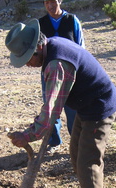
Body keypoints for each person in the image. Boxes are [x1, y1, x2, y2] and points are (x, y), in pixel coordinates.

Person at [5, 19, 116, 188]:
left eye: (27, 58)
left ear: (38, 47)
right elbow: (52, 107)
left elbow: (50, 115)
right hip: (86, 106)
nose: (27, 65)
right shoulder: (52, 45)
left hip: (98, 108)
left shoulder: (57, 64)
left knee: (88, 163)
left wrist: (27, 136)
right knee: (76, 155)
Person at [39, 0, 85, 151]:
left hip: (71, 72)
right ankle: (54, 142)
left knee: (72, 107)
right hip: (49, 72)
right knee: (50, 107)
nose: (50, 6)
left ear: (60, 1)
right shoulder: (40, 24)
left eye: (53, 2)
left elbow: (80, 47)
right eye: (46, 2)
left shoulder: (72, 20)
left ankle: (76, 142)